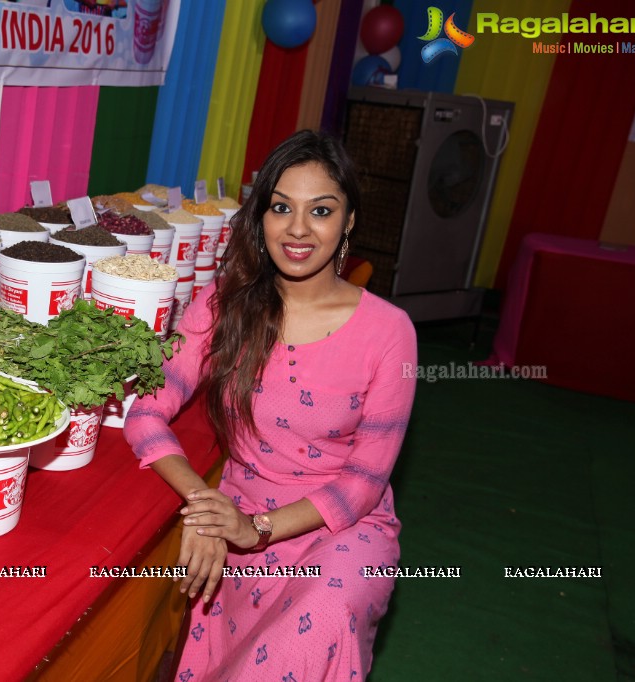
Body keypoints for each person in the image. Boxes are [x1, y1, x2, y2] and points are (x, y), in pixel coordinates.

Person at [124, 129, 417, 680]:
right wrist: (210, 511)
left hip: (340, 528)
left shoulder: (389, 332)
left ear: (349, 221)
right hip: (240, 505)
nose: (299, 229)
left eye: (321, 210)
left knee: (327, 612)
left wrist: (254, 530)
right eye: (281, 207)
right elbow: (144, 410)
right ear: (261, 217)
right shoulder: (225, 305)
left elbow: (364, 481)